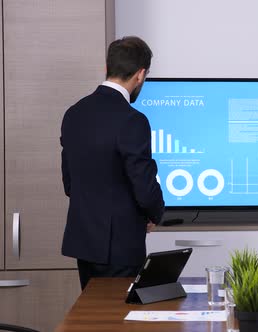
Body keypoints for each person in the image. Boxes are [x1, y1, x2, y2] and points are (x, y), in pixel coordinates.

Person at [60, 36, 165, 290]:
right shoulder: (132, 120)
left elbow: (69, 182)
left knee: (94, 316)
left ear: (107, 68)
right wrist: (153, 214)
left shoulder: (74, 113)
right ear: (140, 75)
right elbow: (144, 185)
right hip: (120, 245)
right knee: (120, 319)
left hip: (84, 242)